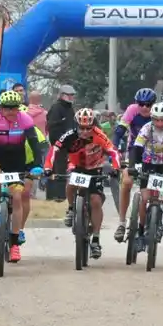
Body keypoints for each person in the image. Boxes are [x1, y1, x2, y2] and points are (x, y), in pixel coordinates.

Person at [0, 89, 46, 263]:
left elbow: (35, 145)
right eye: (7, 108)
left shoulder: (25, 120)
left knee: (17, 197)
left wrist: (37, 165)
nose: (11, 112)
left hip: (17, 164)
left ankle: (14, 245)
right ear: (0, 108)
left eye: (14, 108)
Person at [45, 107, 120, 259]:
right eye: (82, 128)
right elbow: (55, 149)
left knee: (96, 201)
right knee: (71, 183)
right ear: (76, 125)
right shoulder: (69, 135)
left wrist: (116, 168)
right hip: (77, 167)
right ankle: (71, 209)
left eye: (88, 128)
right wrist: (47, 167)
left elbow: (113, 152)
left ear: (94, 125)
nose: (85, 131)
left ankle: (96, 240)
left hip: (95, 169)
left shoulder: (100, 135)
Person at [128, 101, 163, 234]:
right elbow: (137, 147)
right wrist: (134, 165)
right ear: (152, 118)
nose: (160, 123)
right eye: (156, 120)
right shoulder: (147, 128)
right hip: (149, 162)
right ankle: (141, 231)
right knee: (144, 198)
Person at [114, 88, 157, 244]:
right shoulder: (132, 110)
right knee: (126, 182)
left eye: (149, 104)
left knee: (149, 191)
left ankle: (153, 218)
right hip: (134, 150)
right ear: (136, 103)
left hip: (154, 153)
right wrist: (115, 149)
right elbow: (119, 131)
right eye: (141, 104)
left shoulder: (158, 113)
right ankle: (121, 222)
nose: (145, 107)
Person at [44, 84, 77, 201]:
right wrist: (57, 142)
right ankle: (58, 195)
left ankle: (60, 194)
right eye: (69, 95)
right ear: (62, 95)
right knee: (58, 169)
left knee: (64, 168)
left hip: (69, 143)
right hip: (59, 144)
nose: (71, 97)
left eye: (72, 95)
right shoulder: (56, 108)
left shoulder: (69, 108)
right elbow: (52, 126)